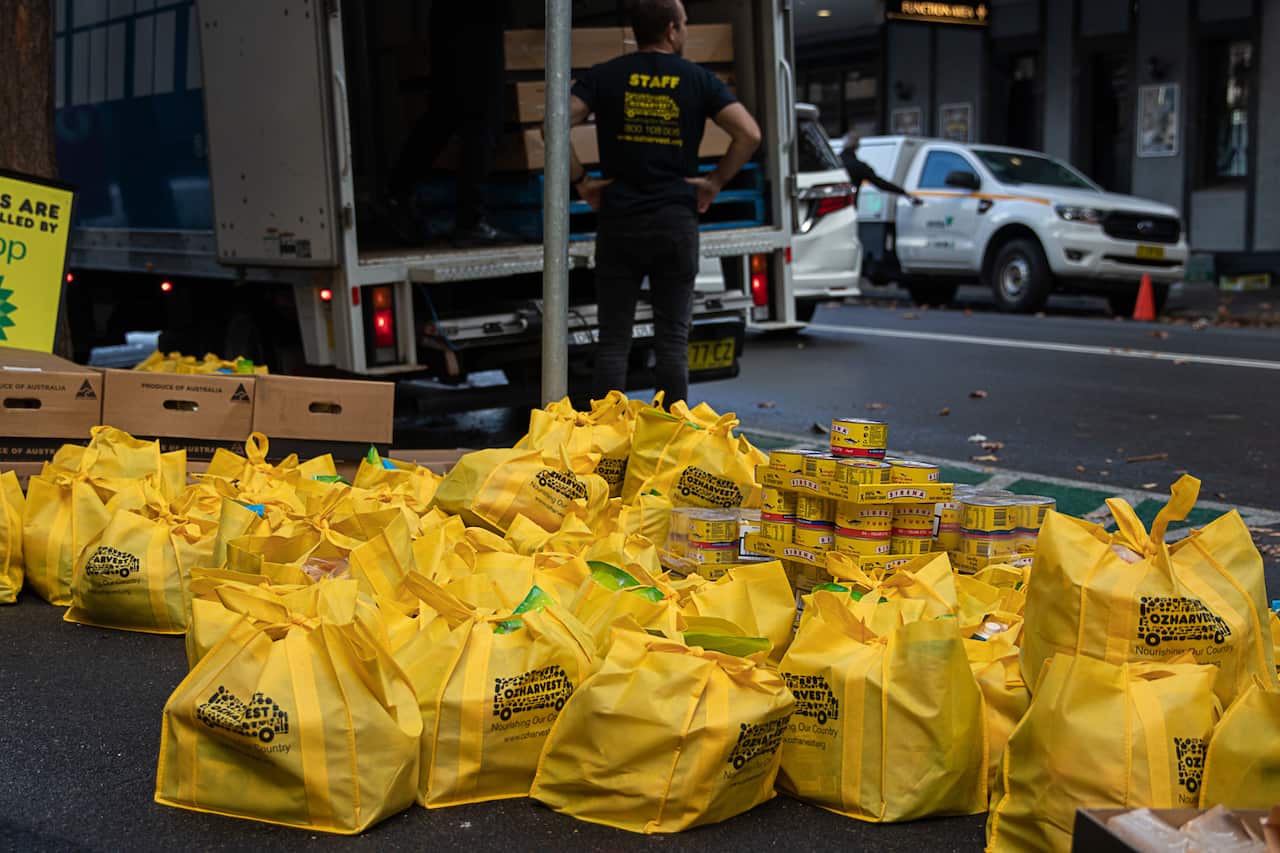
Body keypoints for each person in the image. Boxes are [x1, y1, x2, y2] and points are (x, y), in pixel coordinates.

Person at [563, 0, 761, 405]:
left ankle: (608, 434)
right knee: (672, 341)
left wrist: (582, 182)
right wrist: (714, 182)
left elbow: (553, 124)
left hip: (619, 221)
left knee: (613, 342)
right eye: (684, 23)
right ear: (671, 30)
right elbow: (749, 134)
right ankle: (670, 432)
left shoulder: (605, 76)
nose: (685, 30)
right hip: (675, 221)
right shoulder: (698, 79)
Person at [386, 2, 515, 247]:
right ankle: (470, 220)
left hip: (452, 20)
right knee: (481, 118)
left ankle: (398, 191)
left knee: (447, 111)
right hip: (476, 21)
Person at [840, 131, 920, 207]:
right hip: (849, 207)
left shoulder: (836, 163)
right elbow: (880, 183)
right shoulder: (858, 166)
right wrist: (905, 193)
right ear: (857, 146)